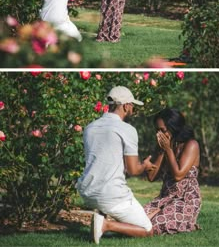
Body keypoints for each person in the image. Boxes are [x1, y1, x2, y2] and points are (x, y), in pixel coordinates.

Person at [76, 86, 155, 244]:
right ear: (126, 106)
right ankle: (106, 225)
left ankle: (101, 214)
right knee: (147, 230)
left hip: (87, 192)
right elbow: (133, 170)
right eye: (132, 105)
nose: (132, 108)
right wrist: (145, 165)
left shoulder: (90, 128)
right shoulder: (127, 129)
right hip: (111, 195)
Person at [144, 108, 202, 235]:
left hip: (185, 200)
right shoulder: (166, 146)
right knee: (137, 219)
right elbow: (151, 176)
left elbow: (178, 175)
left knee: (152, 225)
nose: (158, 134)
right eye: (157, 130)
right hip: (166, 198)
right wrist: (162, 151)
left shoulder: (191, 145)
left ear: (174, 128)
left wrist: (168, 150)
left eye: (162, 130)